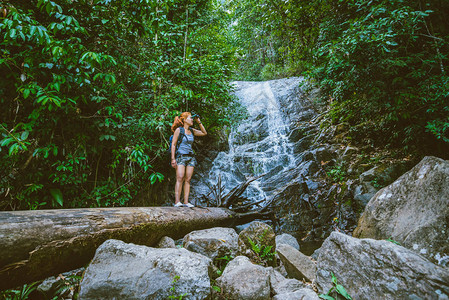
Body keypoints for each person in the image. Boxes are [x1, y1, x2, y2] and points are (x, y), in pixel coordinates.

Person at [171, 112, 207, 207]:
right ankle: (177, 201)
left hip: (190, 157)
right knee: (180, 178)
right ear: (184, 120)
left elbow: (204, 133)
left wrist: (198, 122)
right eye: (191, 118)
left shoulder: (192, 131)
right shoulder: (179, 130)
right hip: (181, 156)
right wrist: (173, 159)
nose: (192, 120)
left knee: (188, 179)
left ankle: (186, 202)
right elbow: (173, 144)